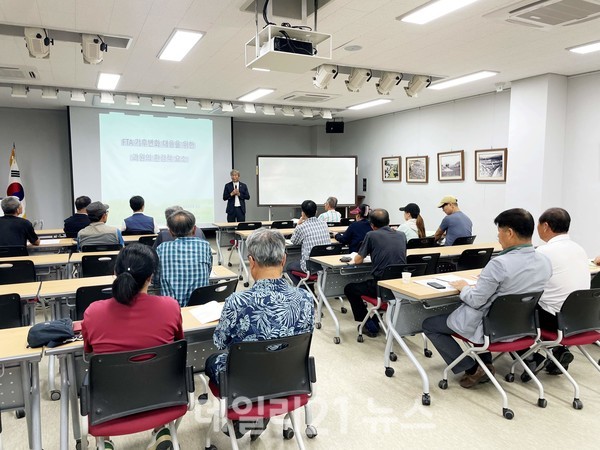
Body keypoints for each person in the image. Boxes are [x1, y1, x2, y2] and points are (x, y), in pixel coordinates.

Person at [422, 208, 552, 388]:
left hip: (489, 329)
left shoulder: (500, 263)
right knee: (480, 314)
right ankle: (485, 363)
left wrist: (464, 288)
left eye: (499, 232)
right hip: (521, 327)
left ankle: (471, 367)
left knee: (430, 324)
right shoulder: (544, 261)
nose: (498, 237)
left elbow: (476, 300)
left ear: (509, 232)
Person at [205, 227, 314, 439]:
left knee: (211, 361)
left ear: (251, 261)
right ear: (283, 260)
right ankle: (255, 420)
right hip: (290, 378)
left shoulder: (237, 301)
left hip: (244, 384)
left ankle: (247, 420)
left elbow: (220, 342)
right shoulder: (305, 298)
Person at [82, 243, 183, 450]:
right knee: (156, 367)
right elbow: (177, 342)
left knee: (97, 377)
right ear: (150, 277)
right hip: (162, 396)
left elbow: (88, 353)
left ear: (115, 273)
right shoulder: (170, 307)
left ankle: (104, 441)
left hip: (110, 403)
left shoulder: (93, 312)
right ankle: (161, 429)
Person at [524, 208, 590, 376]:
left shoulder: (543, 252)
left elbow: (523, 284)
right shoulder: (579, 249)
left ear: (545, 226)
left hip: (555, 321)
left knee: (513, 308)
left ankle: (529, 358)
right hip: (582, 319)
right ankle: (558, 353)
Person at [343, 208, 407, 338]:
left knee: (350, 288)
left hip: (381, 287)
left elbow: (358, 260)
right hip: (399, 286)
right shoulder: (401, 235)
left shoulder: (371, 235)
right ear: (389, 222)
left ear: (372, 225)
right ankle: (375, 319)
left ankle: (368, 324)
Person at [155, 210, 212, 306]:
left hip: (171, 310)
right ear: (194, 230)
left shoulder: (161, 248)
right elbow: (208, 272)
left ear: (170, 232)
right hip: (199, 310)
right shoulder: (205, 246)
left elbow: (156, 279)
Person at [284, 200, 331, 285]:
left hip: (310, 267)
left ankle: (305, 291)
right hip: (325, 265)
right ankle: (311, 290)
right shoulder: (324, 224)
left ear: (303, 213)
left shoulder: (301, 227)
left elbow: (294, 241)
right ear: (316, 211)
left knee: (288, 267)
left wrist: (298, 224)